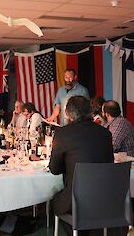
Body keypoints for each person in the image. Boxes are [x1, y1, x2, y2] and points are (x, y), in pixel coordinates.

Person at [49, 96, 114, 236]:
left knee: (53, 203)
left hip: (76, 202)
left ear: (67, 114)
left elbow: (54, 169)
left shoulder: (63, 134)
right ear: (90, 111)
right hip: (105, 199)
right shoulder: (106, 133)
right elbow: (110, 164)